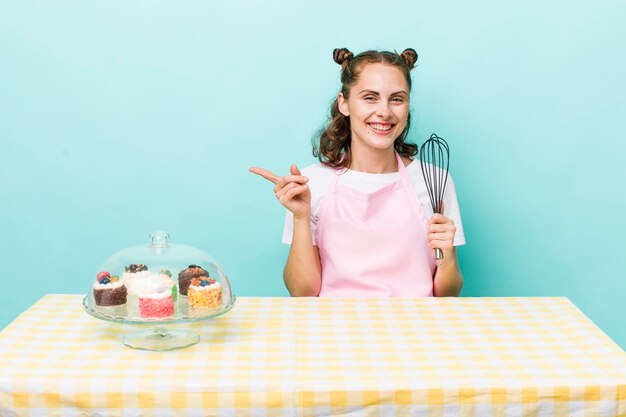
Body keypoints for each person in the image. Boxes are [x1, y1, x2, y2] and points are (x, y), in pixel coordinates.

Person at [250, 48, 465, 298]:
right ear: (344, 103)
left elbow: (448, 295)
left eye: (397, 99)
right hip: (338, 328)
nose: (384, 112)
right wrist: (301, 217)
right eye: (370, 98)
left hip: (413, 328)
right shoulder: (312, 184)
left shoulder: (434, 181)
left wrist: (446, 256)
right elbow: (302, 293)